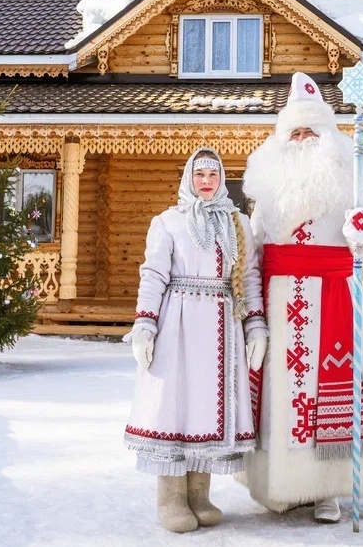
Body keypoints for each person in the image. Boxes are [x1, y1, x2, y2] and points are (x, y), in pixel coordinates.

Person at [237, 71, 363, 523]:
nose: (303, 138)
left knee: (332, 389)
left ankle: (328, 489)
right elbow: (256, 247)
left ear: (328, 135)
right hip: (282, 300)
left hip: (335, 297)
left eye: (311, 130)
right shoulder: (267, 190)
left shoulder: (351, 179)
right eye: (295, 131)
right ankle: (283, 485)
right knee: (284, 394)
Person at [123, 147, 269, 533]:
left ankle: (199, 494)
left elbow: (250, 277)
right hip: (179, 324)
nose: (206, 182)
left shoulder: (238, 224)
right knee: (176, 405)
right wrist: (145, 325)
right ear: (189, 178)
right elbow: (153, 274)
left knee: (208, 407)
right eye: (199, 174)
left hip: (222, 328)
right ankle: (170, 497)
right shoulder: (168, 222)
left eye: (213, 175)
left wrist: (256, 327)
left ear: (222, 180)